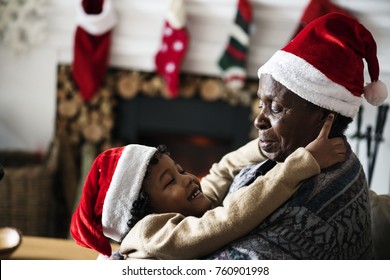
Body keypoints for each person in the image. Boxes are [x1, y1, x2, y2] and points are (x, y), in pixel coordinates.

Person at [200, 12, 388, 260]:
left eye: (276, 107)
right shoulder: (311, 153)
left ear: (324, 116)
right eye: (261, 104)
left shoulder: (307, 217)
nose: (259, 120)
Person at [70, 114, 345, 259]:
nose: (187, 177)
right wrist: (301, 163)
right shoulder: (148, 234)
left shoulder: (185, 211)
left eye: (179, 170)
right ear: (143, 211)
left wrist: (270, 144)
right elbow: (228, 220)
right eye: (170, 181)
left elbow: (222, 171)